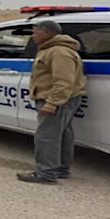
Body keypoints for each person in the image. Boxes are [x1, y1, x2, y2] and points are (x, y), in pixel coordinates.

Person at [17, 20, 86, 184]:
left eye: (36, 32)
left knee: (47, 136)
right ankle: (60, 169)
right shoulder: (52, 49)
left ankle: (46, 173)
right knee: (61, 134)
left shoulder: (59, 52)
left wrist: (52, 103)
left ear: (47, 33)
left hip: (57, 99)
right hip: (62, 99)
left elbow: (63, 82)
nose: (33, 36)